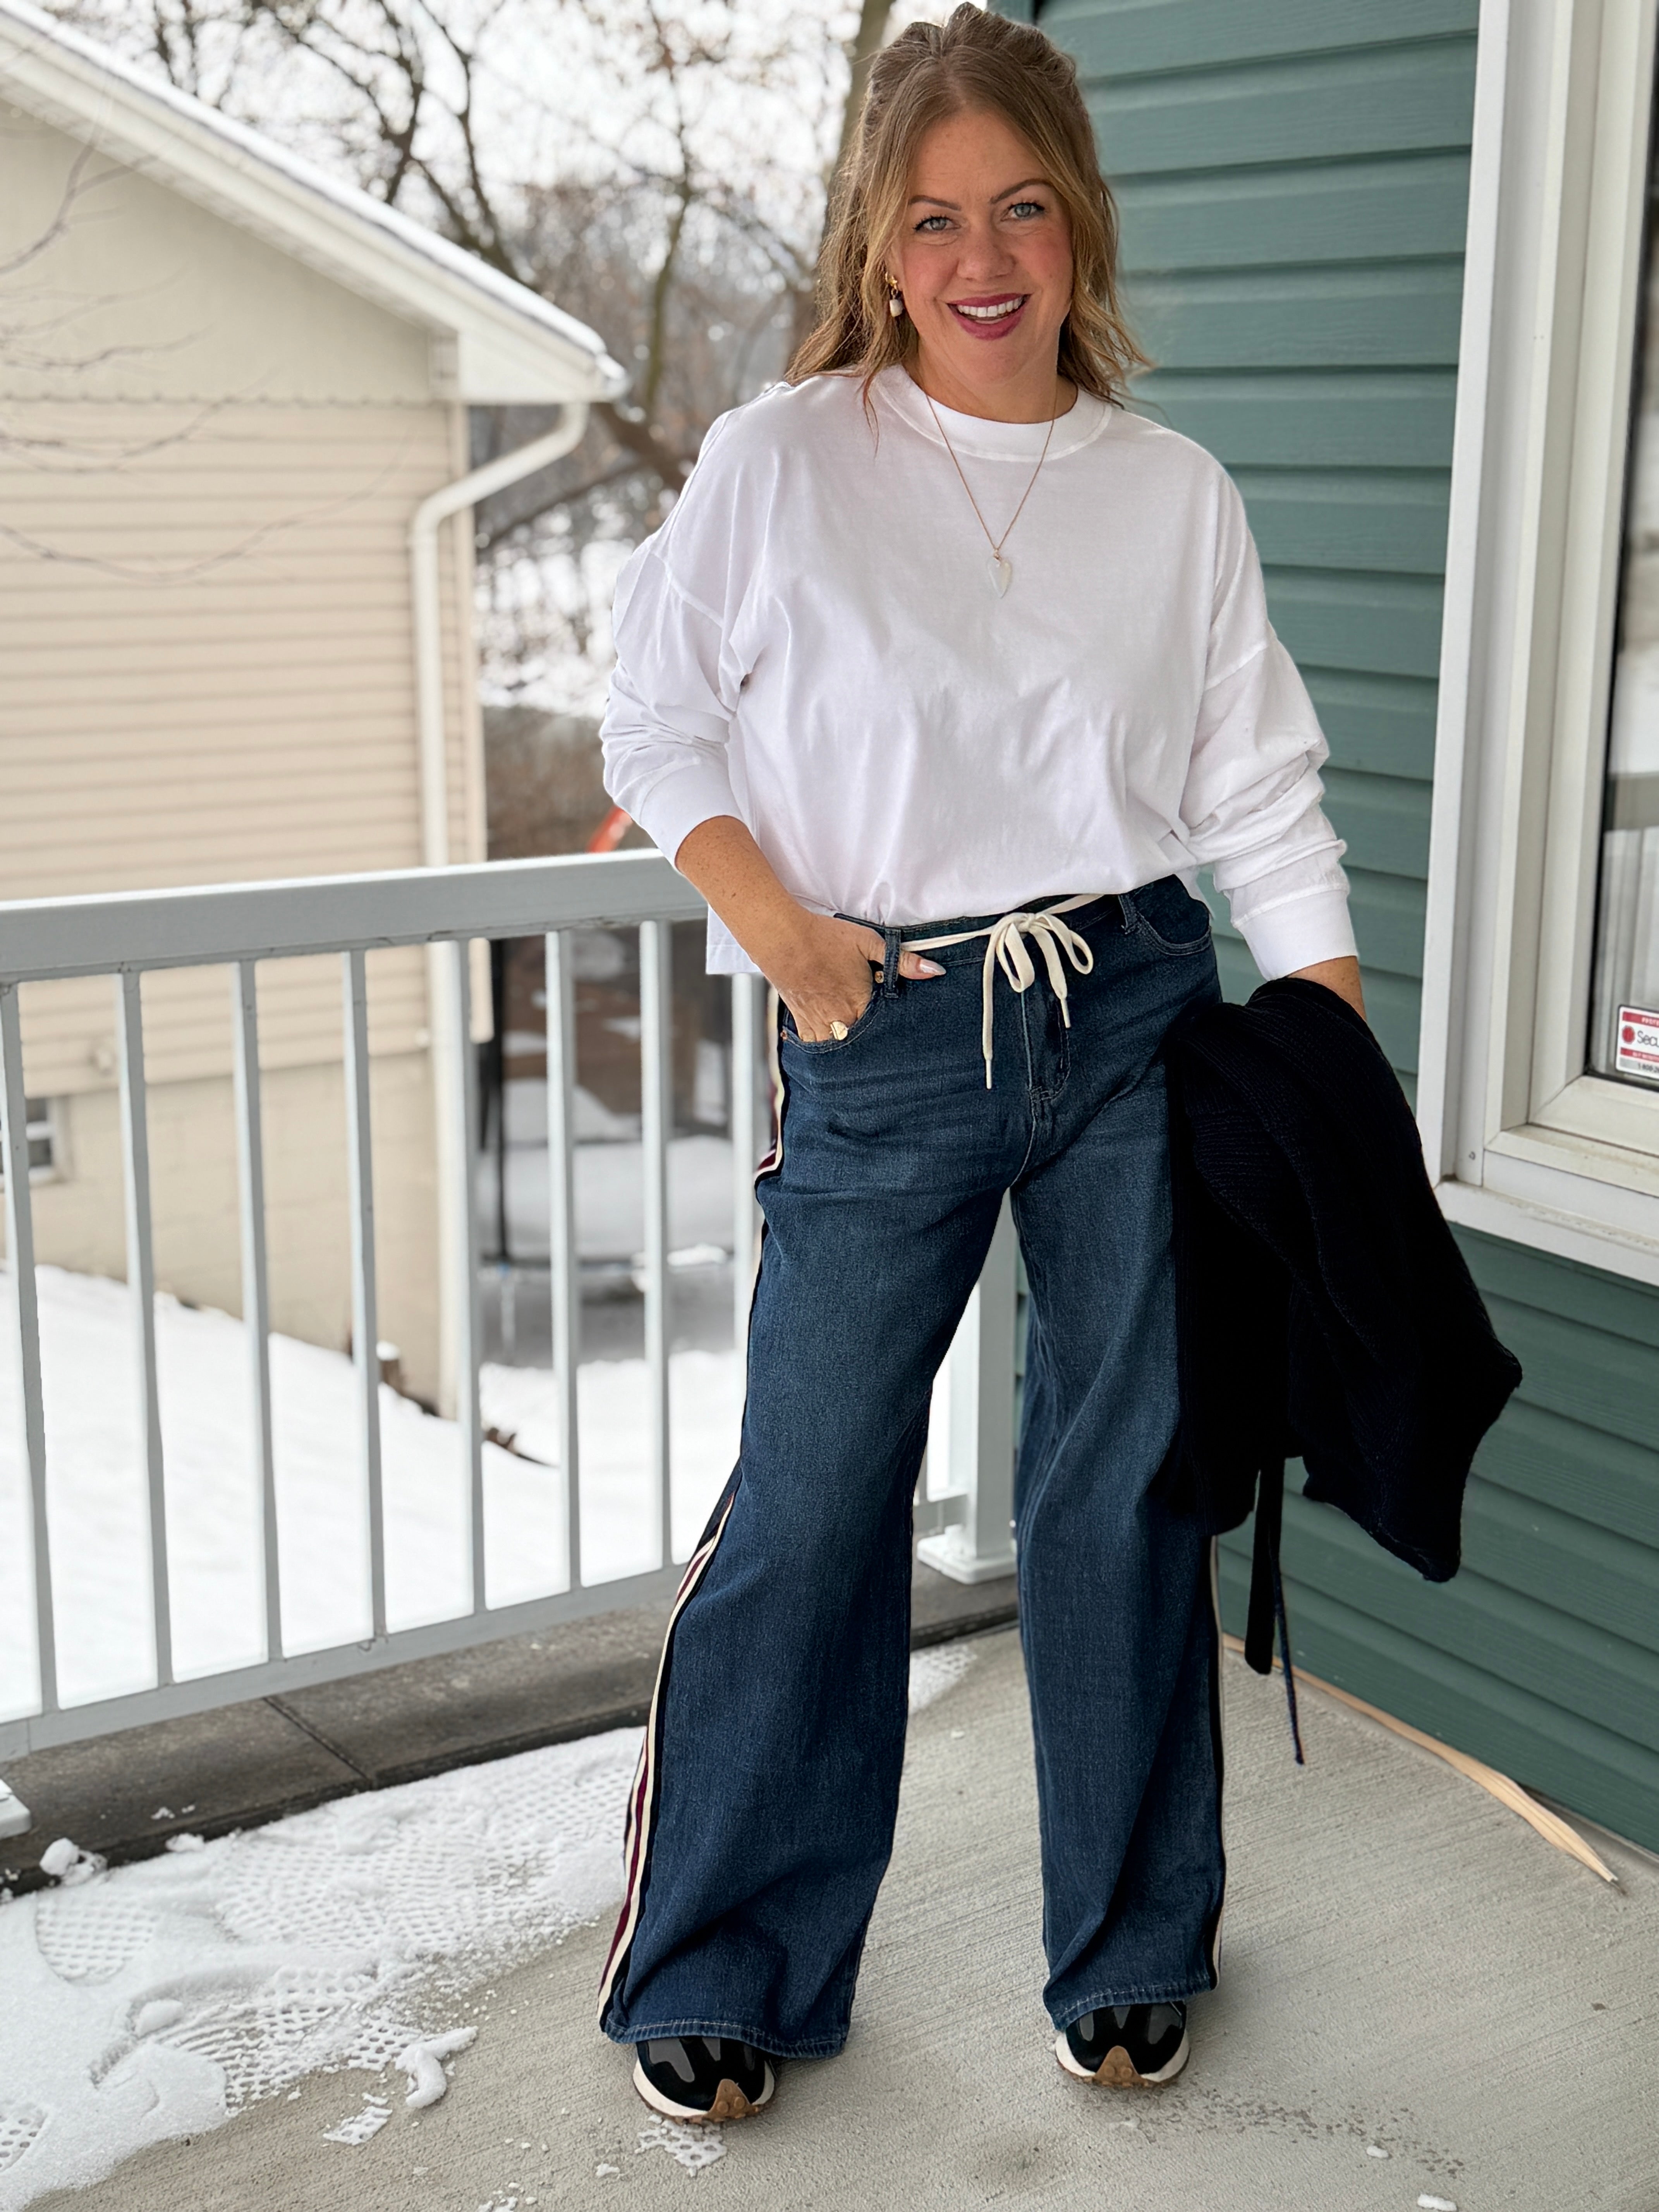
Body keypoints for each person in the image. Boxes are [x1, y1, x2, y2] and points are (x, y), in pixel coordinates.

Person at [596, 4, 1364, 2124]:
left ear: (1078, 218)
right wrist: (780, 932)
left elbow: (1256, 789)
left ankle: (1133, 1945)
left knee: (1123, 1491)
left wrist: (1329, 1041)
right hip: (887, 1022)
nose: (982, 258)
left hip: (1133, 1009)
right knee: (815, 1502)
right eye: (934, 219)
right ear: (879, 238)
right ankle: (726, 1958)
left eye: (1020, 208)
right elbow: (656, 718)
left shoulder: (1171, 494)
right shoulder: (783, 461)